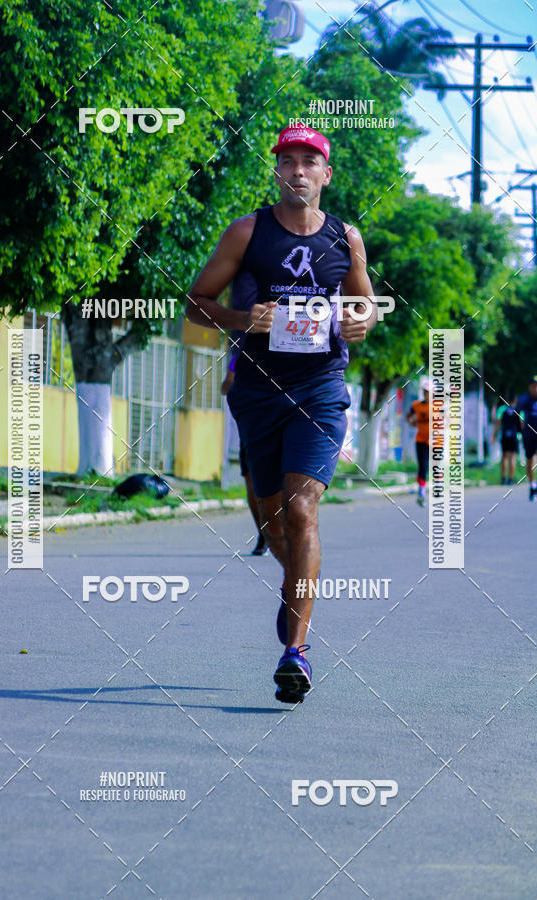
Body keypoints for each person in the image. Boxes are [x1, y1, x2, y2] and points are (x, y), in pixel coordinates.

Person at [187, 125, 377, 703]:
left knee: (301, 510)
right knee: (273, 526)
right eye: (287, 162)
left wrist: (362, 320)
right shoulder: (248, 233)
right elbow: (197, 303)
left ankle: (295, 650)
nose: (297, 171)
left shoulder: (346, 237)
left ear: (325, 175)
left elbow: (363, 302)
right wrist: (246, 321)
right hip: (257, 392)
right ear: (277, 172)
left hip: (319, 388)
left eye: (308, 163)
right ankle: (297, 591)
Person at [221, 348, 269, 555]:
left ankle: (265, 534)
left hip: (254, 424)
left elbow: (226, 386)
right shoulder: (241, 352)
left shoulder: (242, 351)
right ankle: (270, 532)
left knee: (253, 480)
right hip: (272, 422)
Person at [406, 379, 431, 506]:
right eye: (425, 392)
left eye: (429, 392)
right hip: (421, 439)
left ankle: (438, 488)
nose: (427, 394)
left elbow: (447, 419)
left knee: (436, 465)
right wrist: (413, 422)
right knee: (423, 465)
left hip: (435, 441)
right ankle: (421, 492)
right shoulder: (417, 405)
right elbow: (408, 416)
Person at [491, 396, 522, 485]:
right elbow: (522, 424)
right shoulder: (519, 410)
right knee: (512, 458)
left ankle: (503, 478)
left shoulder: (502, 409)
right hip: (515, 436)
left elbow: (497, 424)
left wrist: (494, 436)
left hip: (505, 435)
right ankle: (511, 479)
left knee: (504, 457)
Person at [515, 376, 537, 501]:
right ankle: (532, 484)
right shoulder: (524, 399)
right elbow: (516, 415)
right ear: (530, 387)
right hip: (528, 434)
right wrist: (519, 431)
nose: (536, 388)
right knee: (530, 459)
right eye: (533, 385)